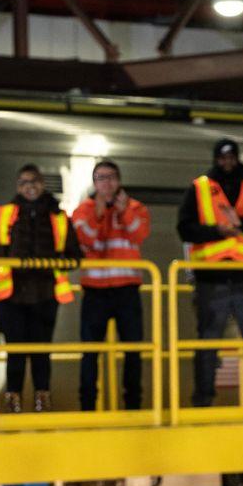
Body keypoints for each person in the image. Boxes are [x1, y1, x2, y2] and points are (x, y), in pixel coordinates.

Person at [176, 139, 243, 407]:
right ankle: (203, 400)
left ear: (237, 158)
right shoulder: (199, 189)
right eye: (222, 158)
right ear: (215, 159)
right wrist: (217, 231)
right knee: (208, 344)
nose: (227, 162)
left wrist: (241, 223)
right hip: (212, 278)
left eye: (231, 157)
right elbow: (184, 229)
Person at [0, 164, 82, 413]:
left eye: (34, 181)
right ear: (18, 186)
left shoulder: (59, 218)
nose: (30, 187)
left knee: (41, 350)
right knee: (15, 350)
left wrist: (54, 260)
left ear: (42, 184)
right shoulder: (5, 214)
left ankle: (42, 399)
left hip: (46, 294)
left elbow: (75, 254)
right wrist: (13, 257)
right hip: (12, 296)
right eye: (25, 182)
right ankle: (13, 399)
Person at [71, 160, 151, 411]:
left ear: (119, 181)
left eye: (111, 177)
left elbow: (139, 234)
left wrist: (123, 210)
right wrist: (99, 212)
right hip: (95, 290)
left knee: (132, 351)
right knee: (91, 352)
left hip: (127, 288)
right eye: (101, 178)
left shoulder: (136, 207)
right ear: (94, 183)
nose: (107, 183)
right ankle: (87, 407)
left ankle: (133, 406)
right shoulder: (83, 210)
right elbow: (87, 239)